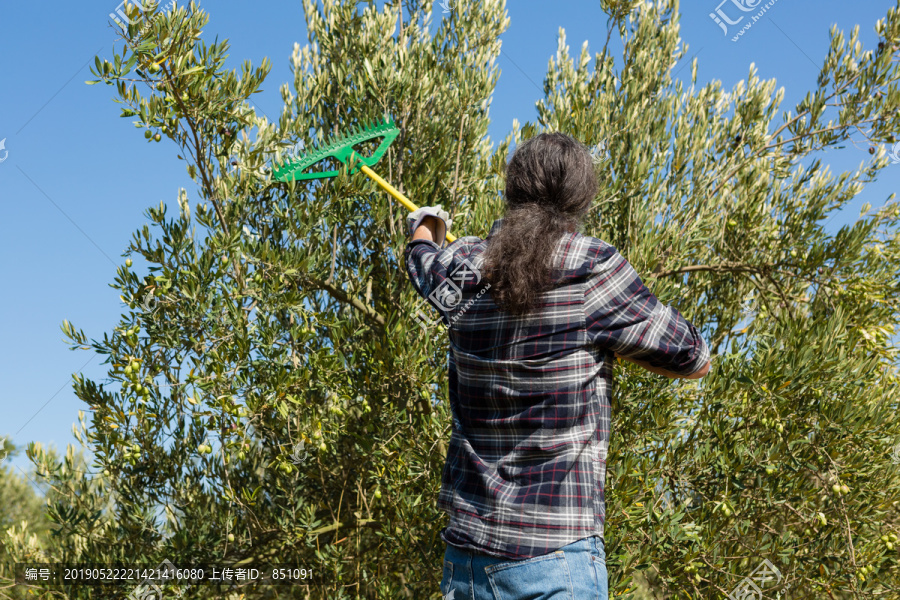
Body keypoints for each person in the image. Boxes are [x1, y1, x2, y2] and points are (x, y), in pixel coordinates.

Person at [404, 132, 710, 600]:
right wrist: (610, 345)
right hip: (553, 562)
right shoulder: (592, 267)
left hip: (465, 561)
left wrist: (426, 226)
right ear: (580, 198)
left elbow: (422, 261)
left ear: (512, 191)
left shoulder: (463, 268)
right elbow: (693, 357)